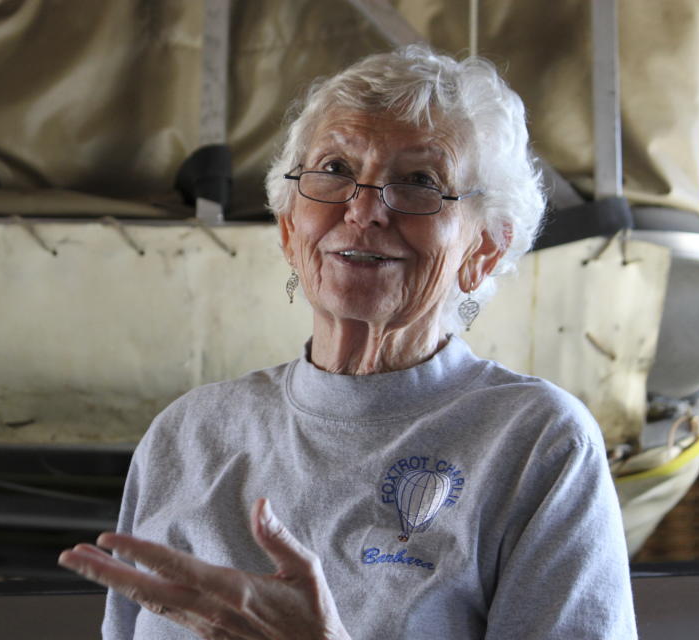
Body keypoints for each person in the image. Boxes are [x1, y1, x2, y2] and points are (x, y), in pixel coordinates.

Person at [59, 45, 637, 639]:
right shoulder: (187, 436)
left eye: (419, 181)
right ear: (288, 227)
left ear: (483, 249)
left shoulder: (539, 444)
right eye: (335, 169)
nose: (364, 210)